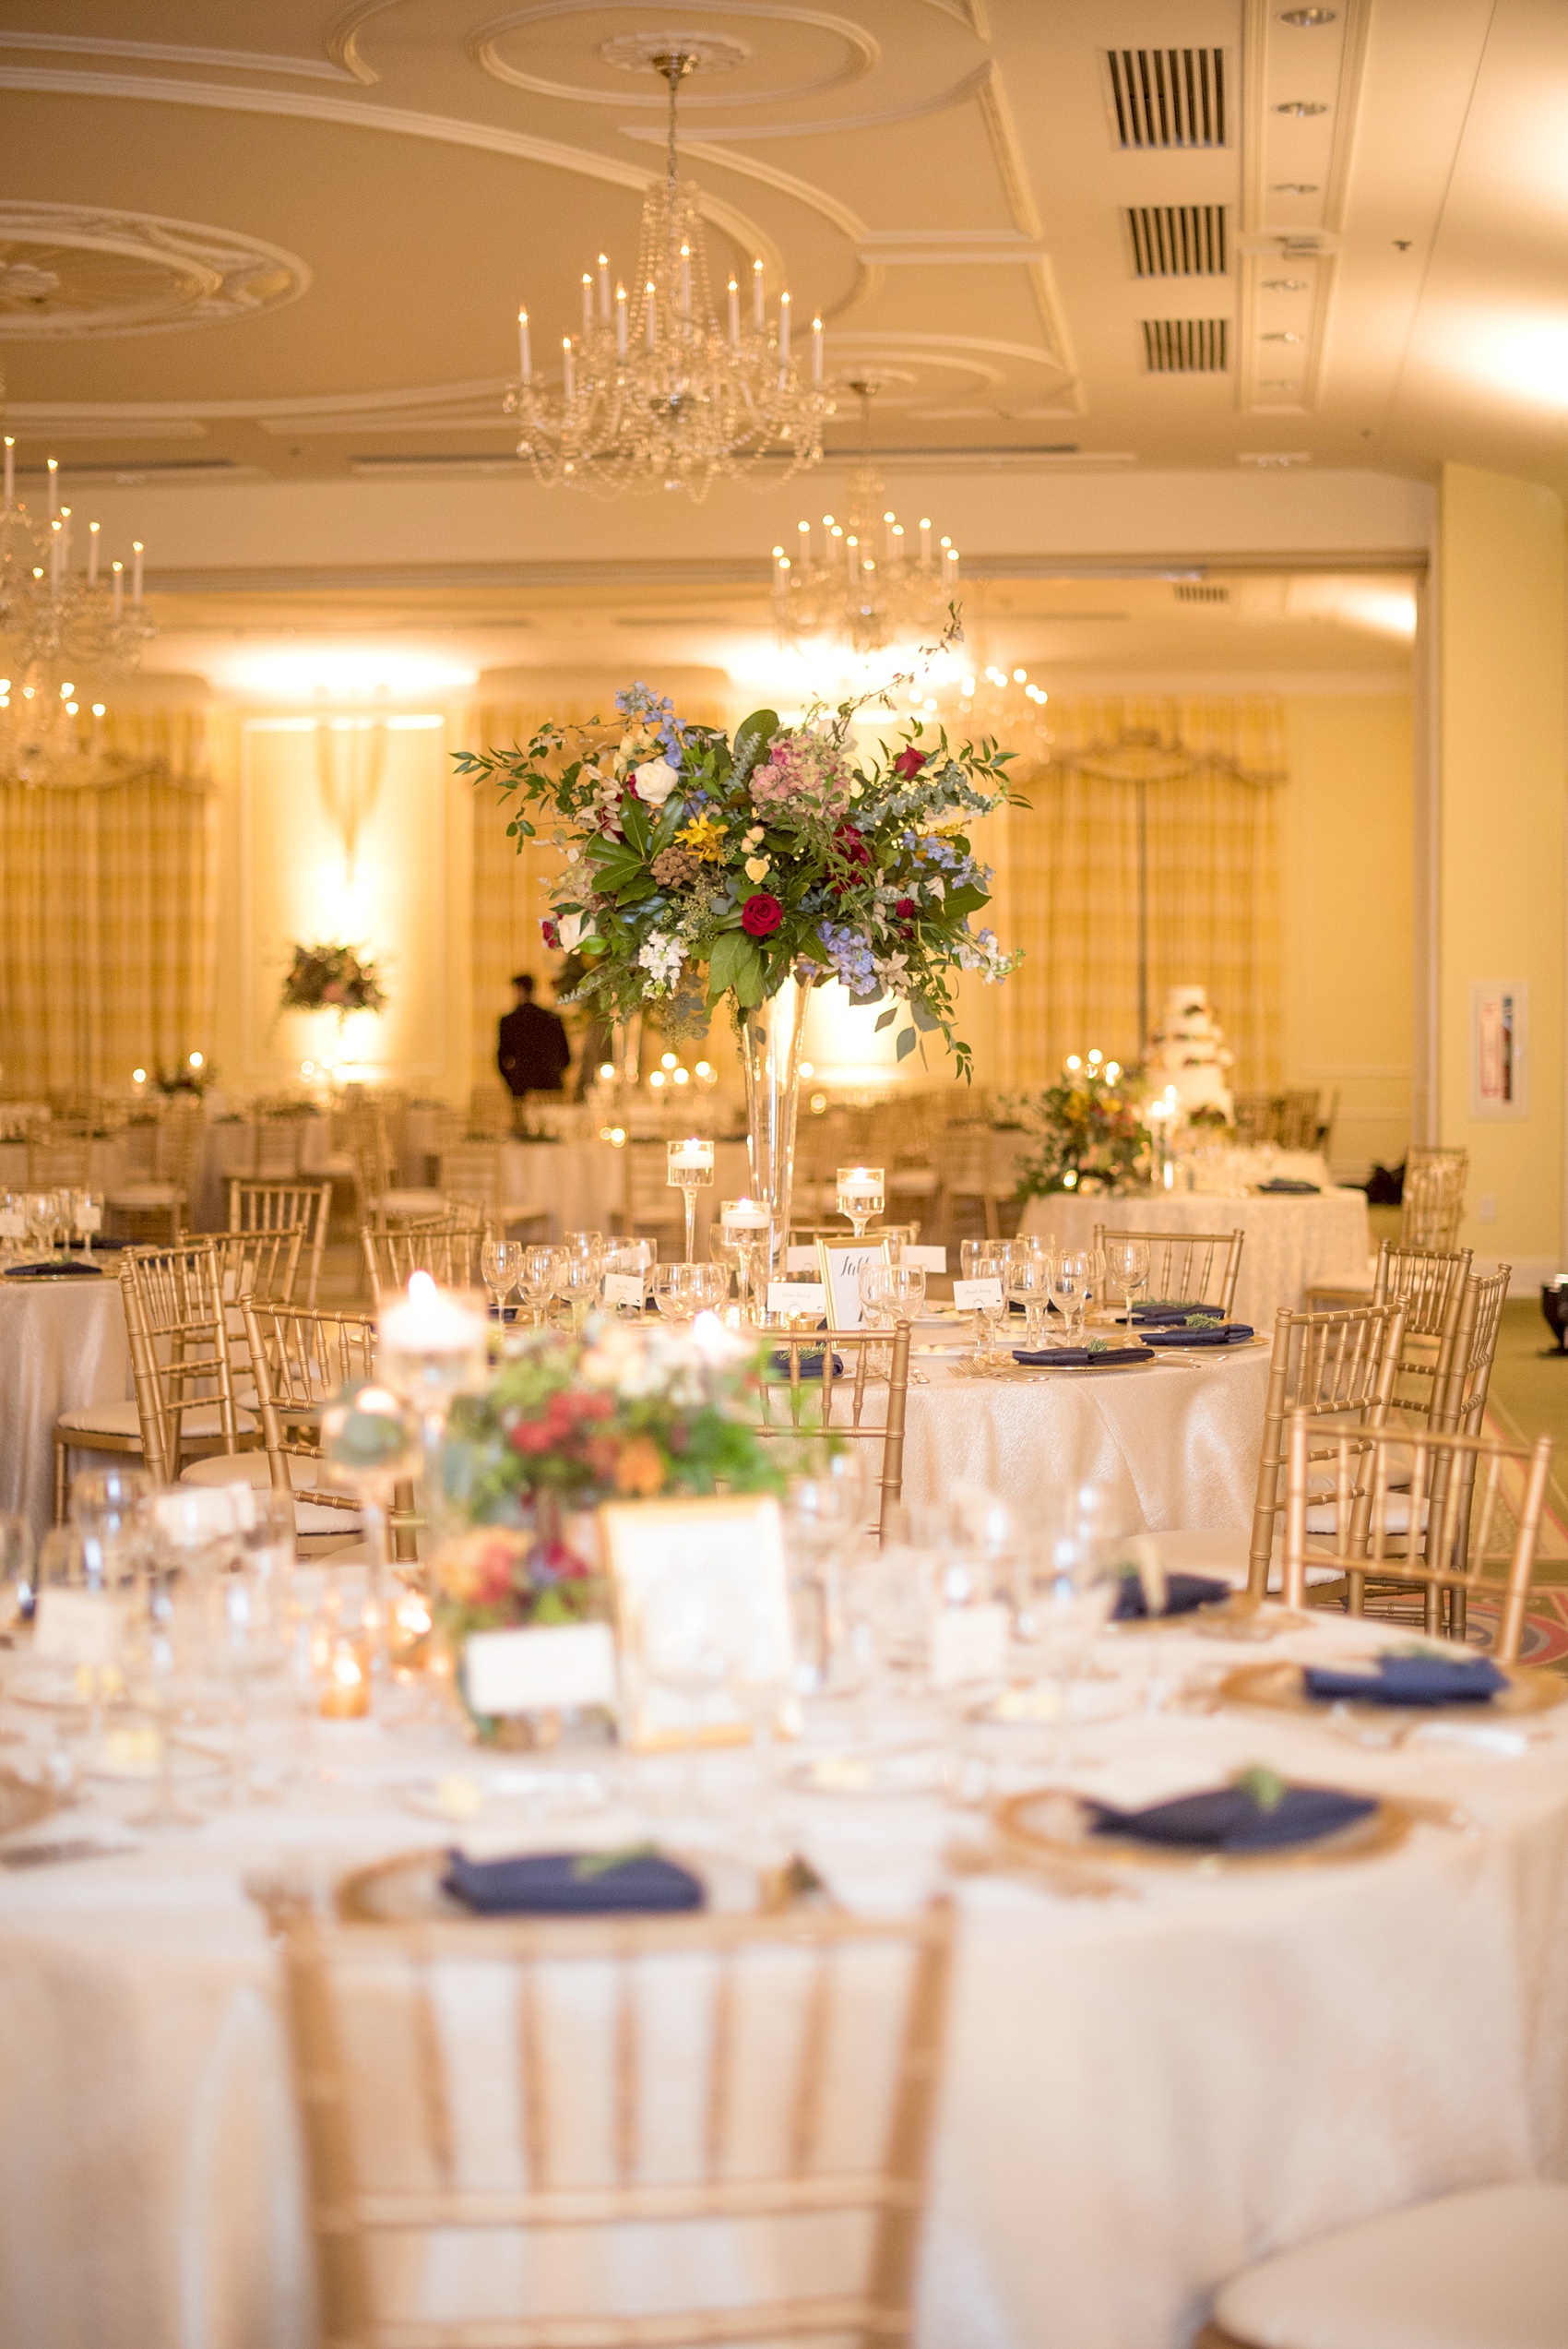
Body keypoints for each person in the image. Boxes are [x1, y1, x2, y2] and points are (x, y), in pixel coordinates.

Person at [497, 972, 571, 1127]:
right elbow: (566, 1057)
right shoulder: (552, 1019)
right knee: (553, 1130)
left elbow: (501, 1058)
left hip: (522, 1089)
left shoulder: (509, 1021)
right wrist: (553, 1072)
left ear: (519, 990)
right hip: (551, 1086)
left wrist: (513, 1081)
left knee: (522, 1133)